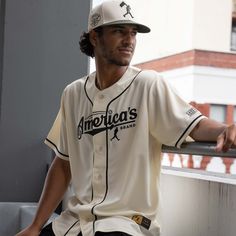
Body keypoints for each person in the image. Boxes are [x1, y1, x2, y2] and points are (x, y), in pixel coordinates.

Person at [16, 0, 236, 236]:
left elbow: (195, 125)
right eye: (119, 31)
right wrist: (35, 226)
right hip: (73, 223)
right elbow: (63, 163)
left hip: (126, 223)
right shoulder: (73, 93)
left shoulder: (148, 84)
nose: (129, 40)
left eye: (133, 33)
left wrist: (226, 128)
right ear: (94, 37)